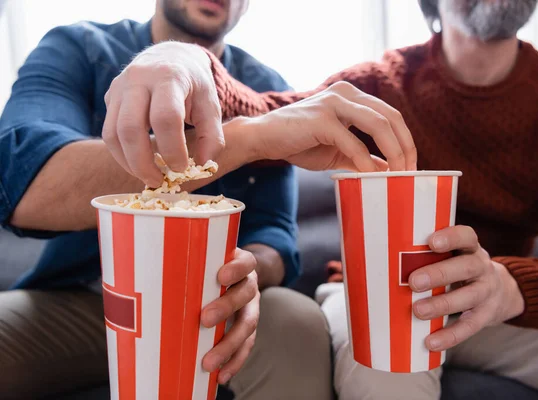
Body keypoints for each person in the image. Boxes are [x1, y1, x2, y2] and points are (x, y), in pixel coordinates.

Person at [104, 0, 538, 399]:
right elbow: (264, 112)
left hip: (500, 305)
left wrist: (508, 286)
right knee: (385, 373)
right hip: (369, 293)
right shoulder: (378, 84)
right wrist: (178, 58)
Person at [0, 0, 415, 399]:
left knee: (295, 320)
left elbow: (275, 237)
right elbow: (23, 184)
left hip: (208, 311)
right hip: (74, 301)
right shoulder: (79, 47)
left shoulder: (267, 86)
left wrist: (245, 273)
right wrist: (250, 138)